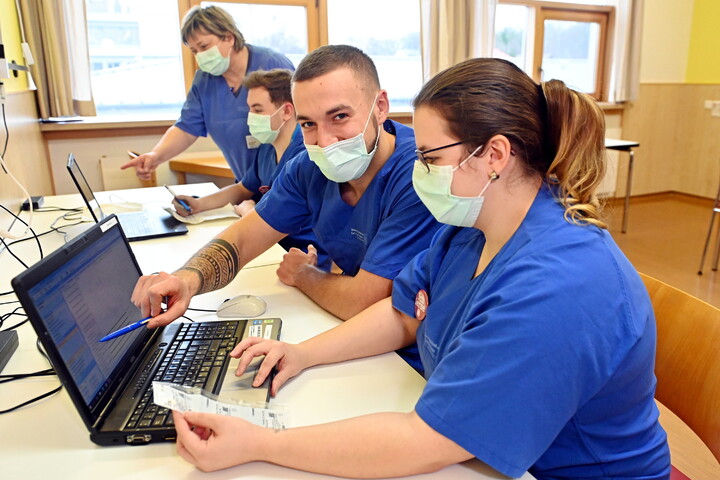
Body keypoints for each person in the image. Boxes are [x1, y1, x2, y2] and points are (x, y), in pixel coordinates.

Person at [169, 58, 671, 479]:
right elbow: (402, 312)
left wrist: (261, 443)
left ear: (494, 154)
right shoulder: (473, 224)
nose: (417, 168)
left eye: (429, 156)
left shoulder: (559, 281)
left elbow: (426, 438)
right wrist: (301, 355)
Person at [130, 46, 441, 355]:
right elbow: (242, 240)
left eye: (340, 117)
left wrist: (304, 275)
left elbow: (365, 299)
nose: (325, 141)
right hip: (357, 333)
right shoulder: (309, 167)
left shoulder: (418, 174)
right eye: (308, 124)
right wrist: (188, 280)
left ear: (381, 106)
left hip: (417, 348)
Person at [171, 68, 331, 271]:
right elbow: (243, 187)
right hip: (270, 244)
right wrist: (199, 204)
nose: (250, 118)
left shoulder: (306, 154)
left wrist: (248, 211)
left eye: (257, 110)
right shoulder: (268, 145)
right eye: (249, 109)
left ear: (287, 111)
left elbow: (277, 213)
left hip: (303, 254)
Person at [120, 5, 294, 181]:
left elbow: (300, 121)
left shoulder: (271, 63)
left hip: (284, 180)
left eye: (204, 46)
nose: (200, 55)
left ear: (229, 37)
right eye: (194, 51)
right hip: (246, 184)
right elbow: (187, 127)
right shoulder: (204, 80)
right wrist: (156, 156)